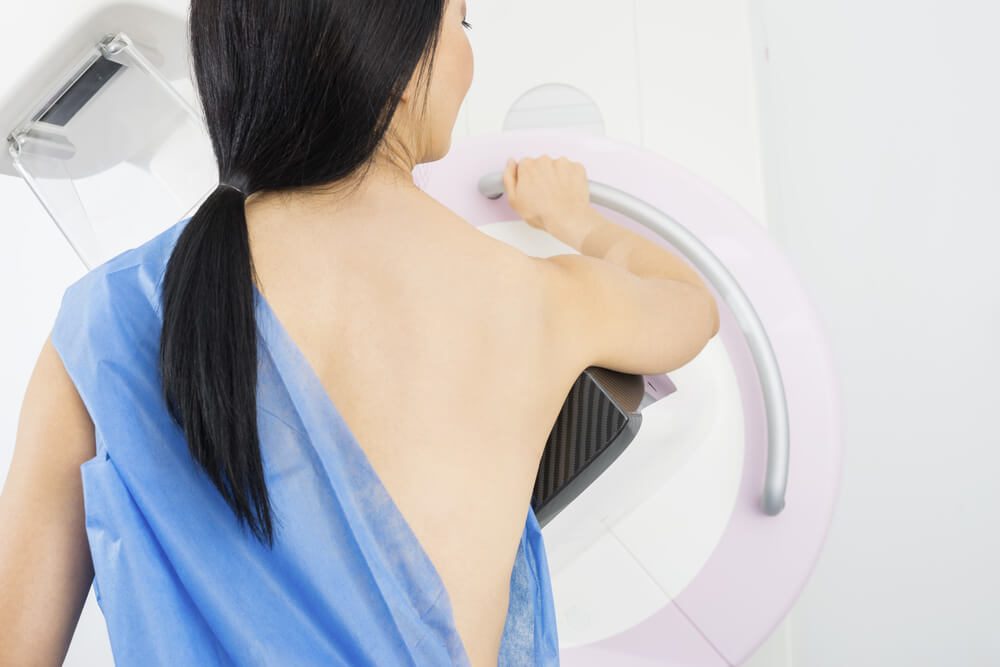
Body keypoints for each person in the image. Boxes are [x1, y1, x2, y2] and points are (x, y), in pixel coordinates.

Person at [0, 0, 720, 664]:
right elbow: (691, 303)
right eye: (462, 26)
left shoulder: (102, 320)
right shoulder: (534, 299)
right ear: (398, 64)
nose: (467, 55)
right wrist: (574, 219)